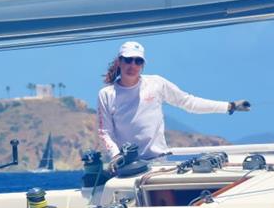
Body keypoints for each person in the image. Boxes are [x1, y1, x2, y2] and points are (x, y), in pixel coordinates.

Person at [98, 41, 250, 164]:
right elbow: (105, 132)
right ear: (119, 62)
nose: (133, 65)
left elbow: (189, 102)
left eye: (138, 61)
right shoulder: (107, 94)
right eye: (128, 60)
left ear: (142, 65)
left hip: (159, 161)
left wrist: (229, 106)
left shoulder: (156, 83)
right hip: (128, 165)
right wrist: (115, 155)